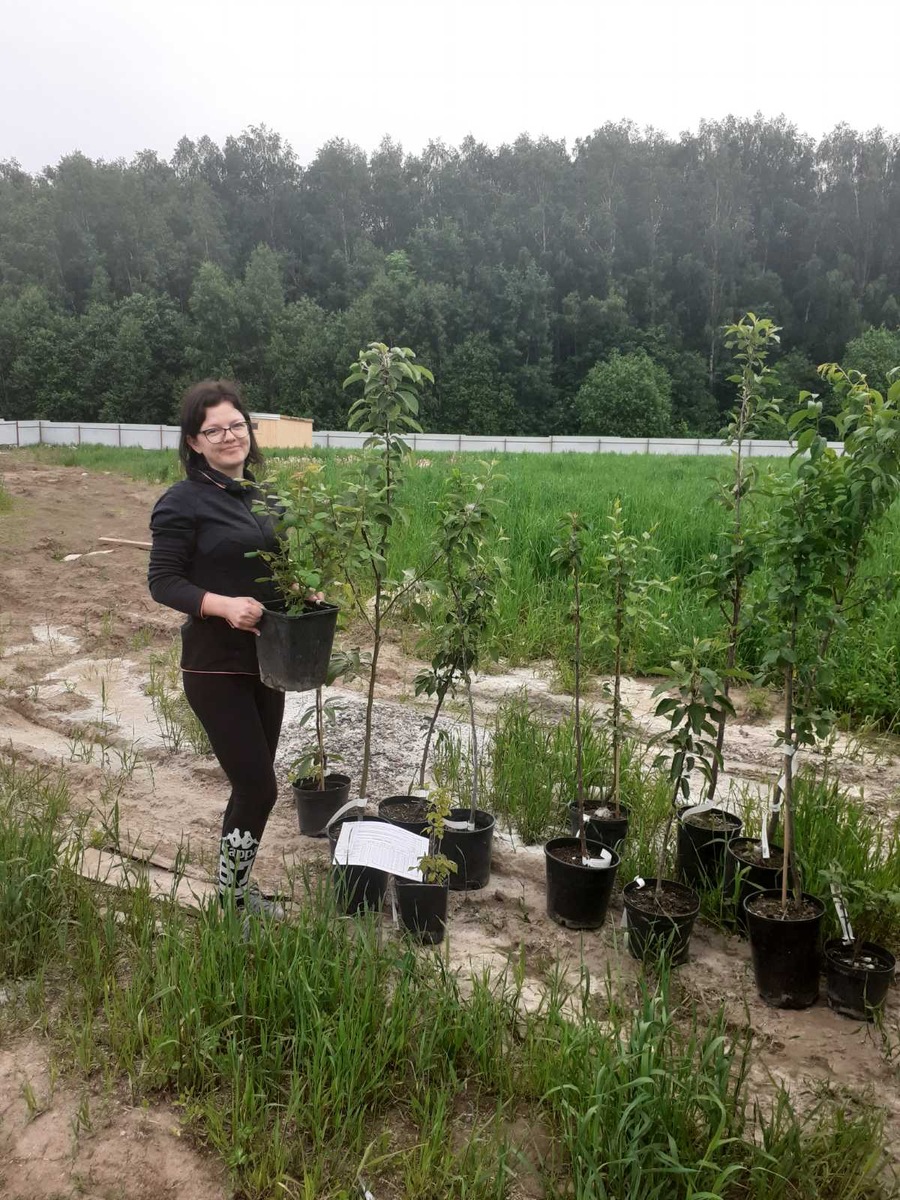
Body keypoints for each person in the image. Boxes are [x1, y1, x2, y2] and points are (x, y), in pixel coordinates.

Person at [148, 379, 297, 919]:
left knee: (254, 785)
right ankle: (232, 903)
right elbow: (163, 582)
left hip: (268, 662)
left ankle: (236, 891)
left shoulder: (264, 496)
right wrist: (222, 605)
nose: (230, 436)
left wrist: (300, 591)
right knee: (258, 787)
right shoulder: (182, 502)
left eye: (237, 425)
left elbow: (276, 571)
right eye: (215, 430)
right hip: (216, 668)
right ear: (194, 441)